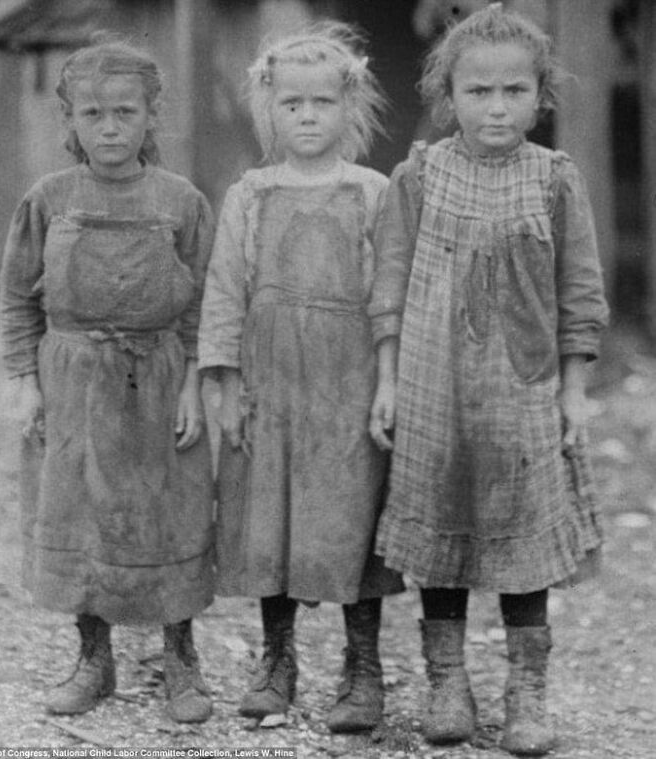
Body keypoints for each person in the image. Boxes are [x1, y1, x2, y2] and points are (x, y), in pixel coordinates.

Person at [368, 5, 609, 756]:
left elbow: (581, 294)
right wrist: (386, 381)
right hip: (432, 384)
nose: (497, 107)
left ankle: (525, 693)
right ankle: (448, 682)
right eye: (479, 92)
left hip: (523, 390)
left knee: (521, 540)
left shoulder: (555, 179)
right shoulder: (420, 173)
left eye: (513, 91)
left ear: (540, 97)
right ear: (449, 95)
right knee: (441, 530)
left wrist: (572, 391)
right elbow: (390, 283)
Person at [0, 39, 215, 724]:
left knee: (168, 512)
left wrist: (193, 387)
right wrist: (27, 381)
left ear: (154, 116)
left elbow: (207, 301)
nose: (110, 127)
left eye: (126, 111)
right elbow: (18, 300)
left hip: (158, 376)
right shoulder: (48, 198)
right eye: (93, 113)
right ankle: (94, 658)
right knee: (80, 513)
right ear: (70, 121)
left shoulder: (181, 201)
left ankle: (181, 656)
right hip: (72, 379)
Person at [198, 22, 404, 733]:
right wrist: (222, 383)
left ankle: (363, 665)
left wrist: (387, 380)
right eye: (292, 104)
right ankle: (277, 659)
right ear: (269, 108)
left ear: (350, 106)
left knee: (352, 517)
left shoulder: (373, 192)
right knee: (271, 520)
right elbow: (224, 290)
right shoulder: (250, 194)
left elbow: (389, 297)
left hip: (346, 385)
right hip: (271, 383)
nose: (308, 115)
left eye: (322, 101)